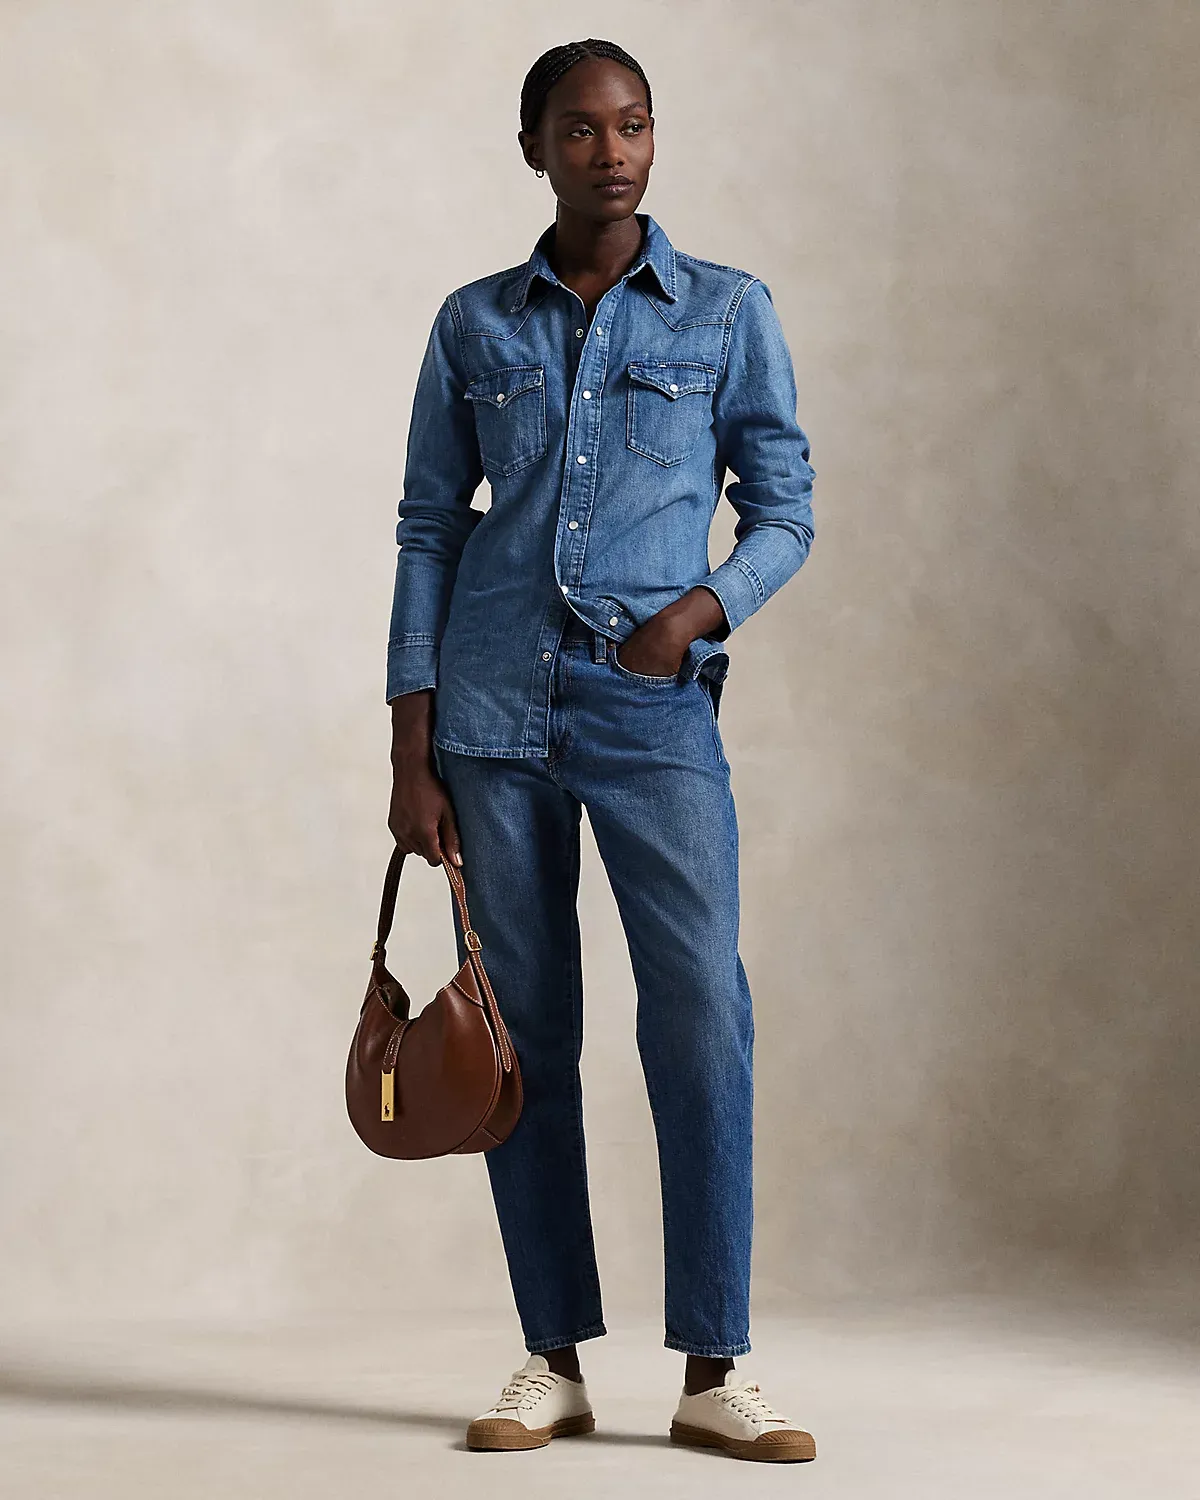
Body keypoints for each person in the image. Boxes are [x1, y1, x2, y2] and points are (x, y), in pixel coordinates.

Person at [385, 38, 817, 1463]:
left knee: (700, 1016)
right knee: (525, 1036)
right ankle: (552, 1356)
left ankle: (714, 1368)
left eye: (632, 125)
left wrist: (694, 615)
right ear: (536, 148)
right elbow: (430, 528)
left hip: (651, 712)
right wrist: (412, 742)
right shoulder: (474, 323)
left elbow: (787, 508)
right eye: (580, 129)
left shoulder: (728, 311)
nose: (611, 151)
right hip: (491, 713)